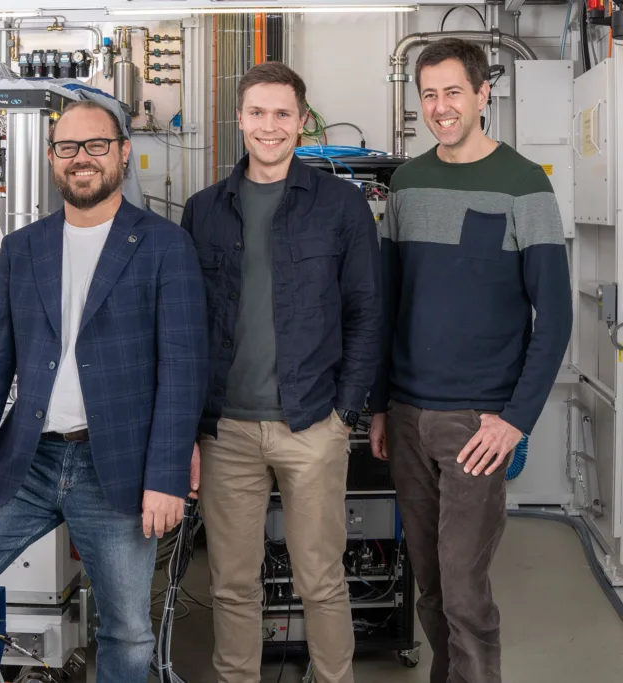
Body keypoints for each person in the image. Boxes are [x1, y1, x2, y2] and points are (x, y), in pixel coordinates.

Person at [0, 99, 208, 683]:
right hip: (26, 462)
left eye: (96, 146)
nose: (81, 159)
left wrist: (164, 478)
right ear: (53, 158)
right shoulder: (24, 248)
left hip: (120, 470)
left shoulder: (163, 246)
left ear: (123, 153)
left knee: (127, 634)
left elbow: (183, 370)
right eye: (67, 148)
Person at [368, 39, 572, 683]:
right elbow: (389, 303)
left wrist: (515, 420)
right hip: (406, 415)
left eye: (453, 92)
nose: (440, 107)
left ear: (485, 94)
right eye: (428, 94)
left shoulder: (523, 185)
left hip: (478, 423)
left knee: (463, 588)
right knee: (427, 583)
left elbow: (557, 317)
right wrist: (379, 405)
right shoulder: (407, 182)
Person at [180, 61, 381, 683]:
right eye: (258, 113)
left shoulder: (341, 207)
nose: (270, 127)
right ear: (239, 119)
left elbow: (367, 314)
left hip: (311, 424)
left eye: (283, 114)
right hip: (227, 431)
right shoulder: (204, 210)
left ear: (302, 120)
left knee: (320, 578)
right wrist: (189, 429)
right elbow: (186, 327)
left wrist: (345, 412)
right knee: (233, 582)